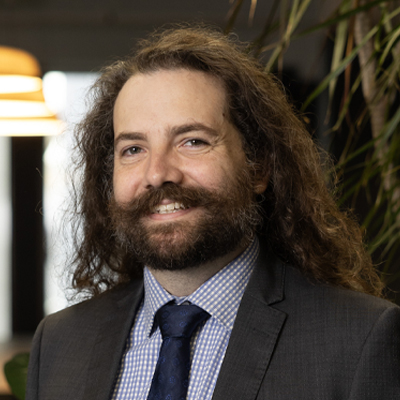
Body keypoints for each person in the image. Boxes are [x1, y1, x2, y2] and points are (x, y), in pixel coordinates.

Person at [26, 25, 400, 400]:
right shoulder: (59, 344)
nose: (157, 173)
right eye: (133, 149)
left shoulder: (359, 340)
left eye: (192, 141)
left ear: (258, 167)